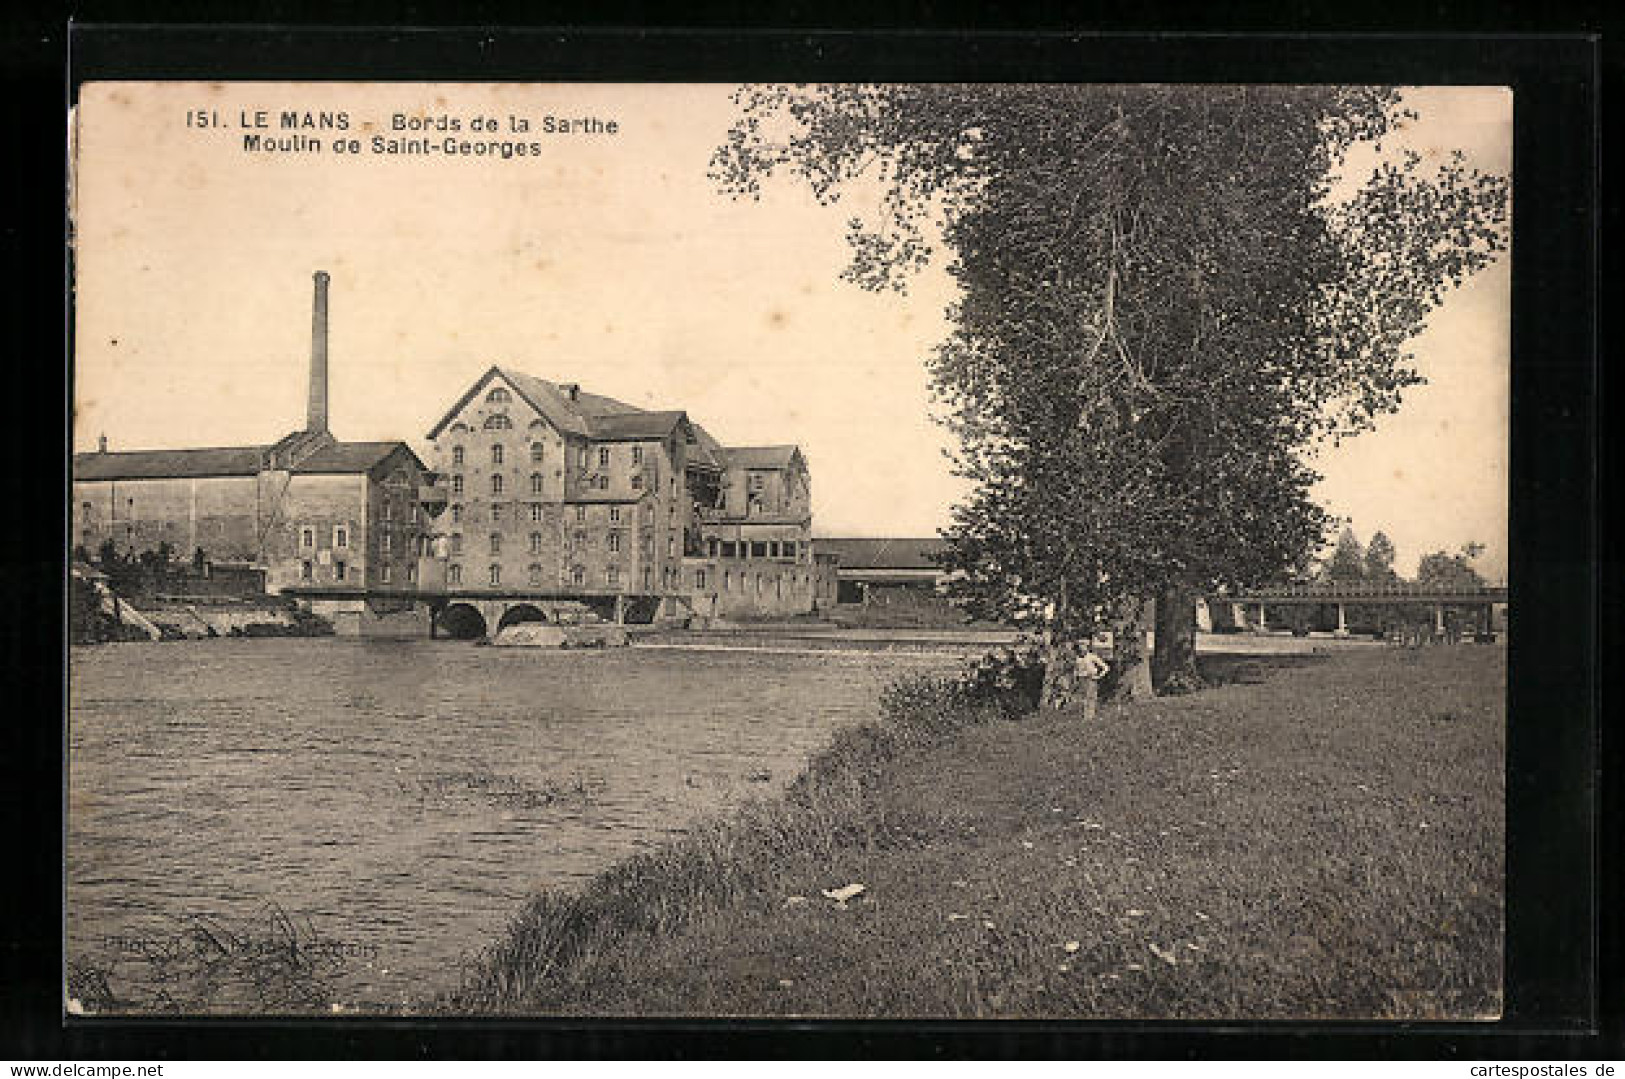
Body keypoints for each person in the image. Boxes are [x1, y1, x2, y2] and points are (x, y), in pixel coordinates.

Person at [1075, 643, 1110, 722]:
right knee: (1084, 697)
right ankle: (1085, 716)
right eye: (1081, 648)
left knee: (1091, 697)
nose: (1082, 650)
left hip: (1091, 678)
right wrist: (1077, 676)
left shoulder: (1092, 657)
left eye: (1084, 648)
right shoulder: (1078, 658)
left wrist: (1099, 676)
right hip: (1082, 679)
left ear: (1087, 648)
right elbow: (1077, 669)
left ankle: (1090, 717)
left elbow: (1105, 667)